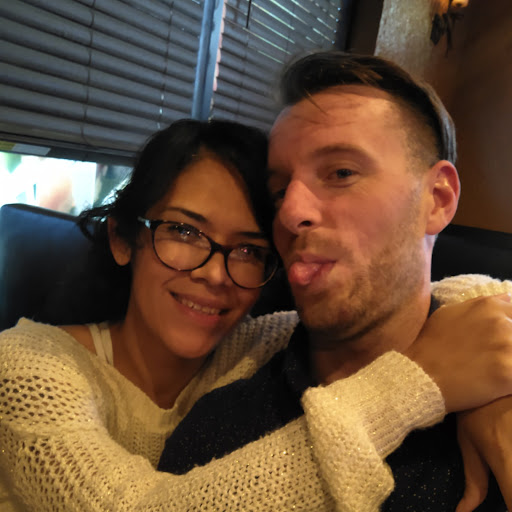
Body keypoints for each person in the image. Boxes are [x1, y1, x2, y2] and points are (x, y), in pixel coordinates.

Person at [0, 112, 509, 511]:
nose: (215, 274)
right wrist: (420, 383)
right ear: (122, 238)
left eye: (247, 249)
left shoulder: (249, 346)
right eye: (184, 231)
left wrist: (491, 370)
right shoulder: (27, 368)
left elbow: (416, 295)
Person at [158, 52, 512, 511]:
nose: (290, 213)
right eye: (279, 192)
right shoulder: (216, 435)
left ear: (438, 199)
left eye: (341, 173)